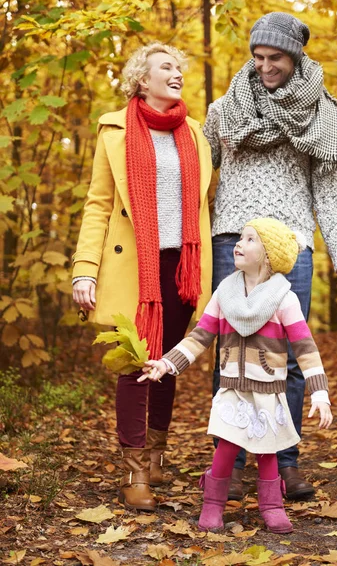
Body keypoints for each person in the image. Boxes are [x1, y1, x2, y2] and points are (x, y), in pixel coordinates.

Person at [202, 12, 337, 501]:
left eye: (275, 57)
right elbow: (197, 174)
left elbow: (330, 192)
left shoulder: (323, 113)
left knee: (287, 355)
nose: (265, 66)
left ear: (296, 56)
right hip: (232, 239)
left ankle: (285, 463)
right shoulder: (224, 109)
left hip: (292, 244)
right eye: (258, 57)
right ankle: (225, 464)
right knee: (229, 350)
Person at [72, 42, 216, 512]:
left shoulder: (195, 133)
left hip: (182, 267)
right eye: (166, 68)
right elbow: (97, 205)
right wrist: (85, 270)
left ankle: (156, 455)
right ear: (142, 80)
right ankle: (134, 470)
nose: (177, 74)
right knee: (134, 363)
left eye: (179, 67)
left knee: (168, 362)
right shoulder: (114, 130)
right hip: (132, 264)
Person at [140, 217, 333, 534]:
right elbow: (199, 337)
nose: (238, 244)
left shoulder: (284, 299)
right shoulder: (223, 294)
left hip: (268, 391)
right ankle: (212, 506)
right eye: (239, 238)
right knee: (226, 448)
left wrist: (320, 393)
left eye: (249, 239)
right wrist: (167, 363)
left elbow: (305, 347)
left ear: (268, 254)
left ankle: (271, 506)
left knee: (267, 451)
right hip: (232, 390)